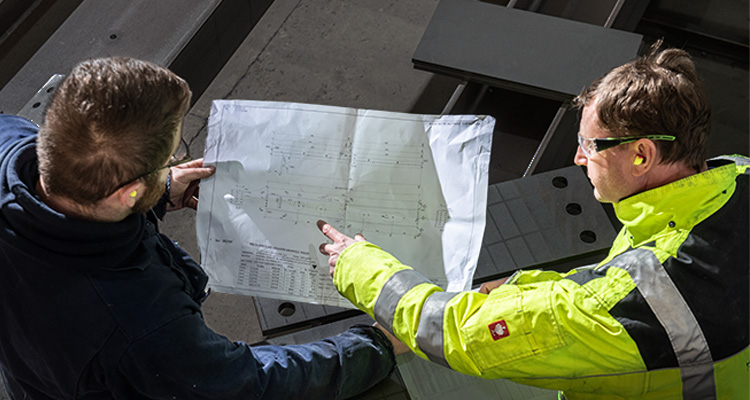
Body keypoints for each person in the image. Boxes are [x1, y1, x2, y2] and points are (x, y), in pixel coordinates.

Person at [318, 43, 749, 399]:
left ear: (641, 155)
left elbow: (455, 332)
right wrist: (524, 288)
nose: (577, 157)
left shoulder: (623, 307)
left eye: (589, 144)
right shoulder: (739, 175)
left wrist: (361, 267)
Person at [0, 57, 398, 399]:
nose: (175, 161)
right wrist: (376, 345)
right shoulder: (140, 321)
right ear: (126, 194)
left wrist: (159, 191)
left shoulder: (9, 139)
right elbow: (246, 385)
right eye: (168, 158)